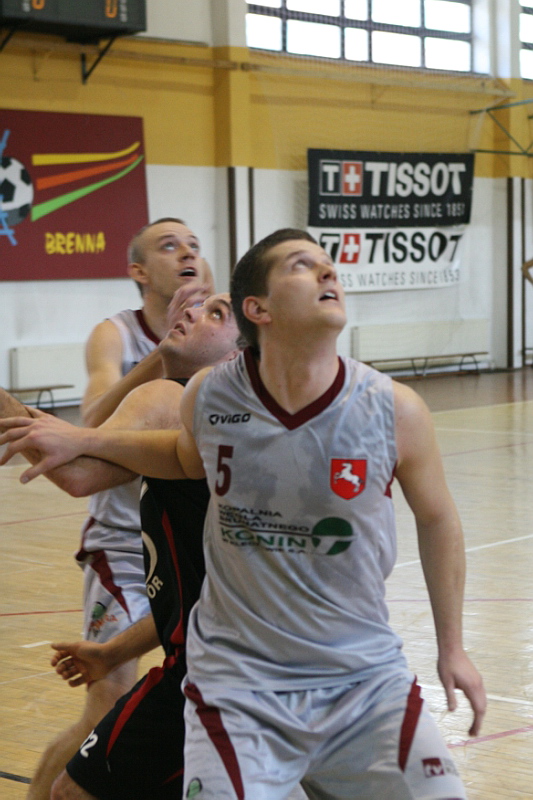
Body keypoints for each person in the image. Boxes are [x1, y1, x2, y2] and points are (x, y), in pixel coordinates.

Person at [0, 229, 487, 800]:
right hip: (234, 677)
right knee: (82, 769)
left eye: (214, 310)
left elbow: (438, 519)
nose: (328, 272)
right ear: (260, 311)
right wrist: (83, 435)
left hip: (355, 672)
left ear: (242, 335)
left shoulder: (387, 406)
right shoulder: (202, 396)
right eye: (303, 265)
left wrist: (452, 646)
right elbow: (169, 460)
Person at [0, 291, 240, 800]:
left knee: (75, 789)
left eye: (216, 313)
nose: (191, 311)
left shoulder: (171, 397)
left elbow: (79, 471)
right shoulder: (240, 422)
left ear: (239, 355)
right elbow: (202, 595)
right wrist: (114, 652)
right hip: (264, 664)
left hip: (216, 674)